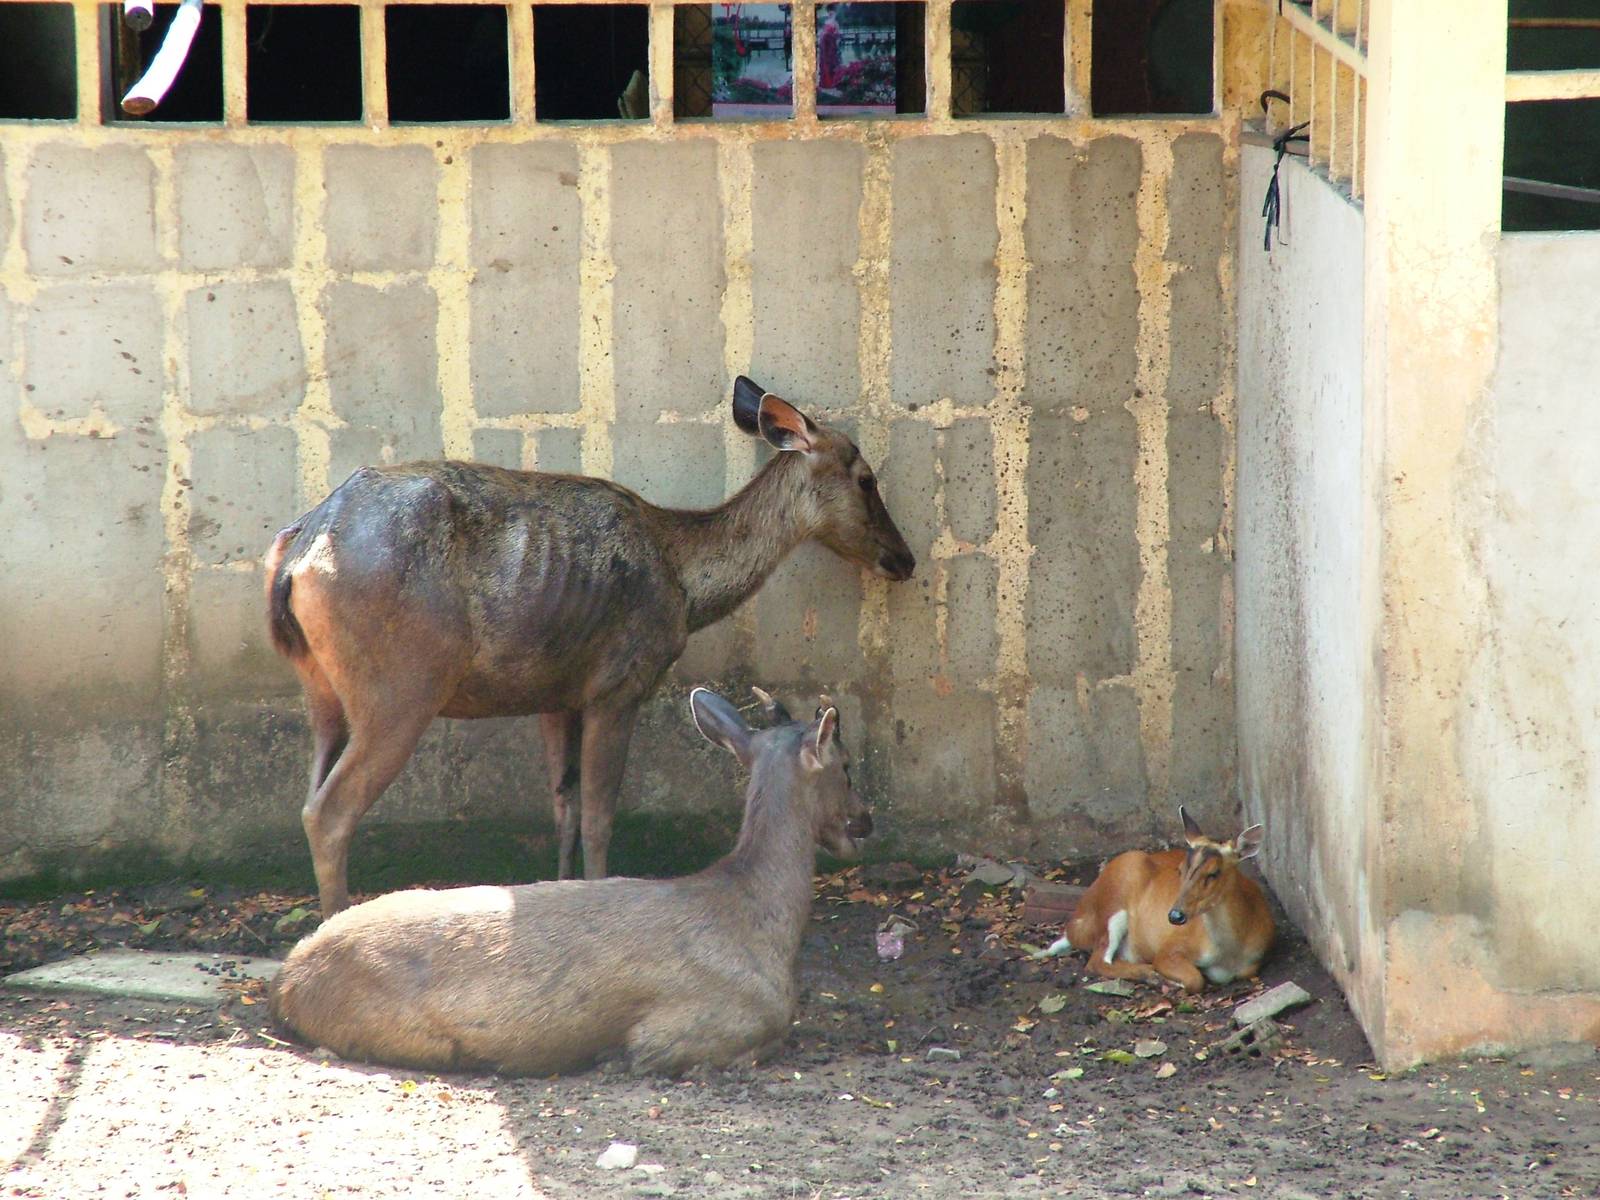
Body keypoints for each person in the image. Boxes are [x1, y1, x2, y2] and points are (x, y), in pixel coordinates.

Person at [819, 4, 843, 89]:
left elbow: (838, 35)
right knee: (825, 63)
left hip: (832, 46)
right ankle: (825, 83)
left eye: (832, 12)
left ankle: (833, 82)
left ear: (835, 12)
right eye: (829, 12)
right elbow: (822, 35)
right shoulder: (826, 22)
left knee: (832, 64)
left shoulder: (836, 23)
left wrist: (834, 36)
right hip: (825, 46)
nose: (830, 13)